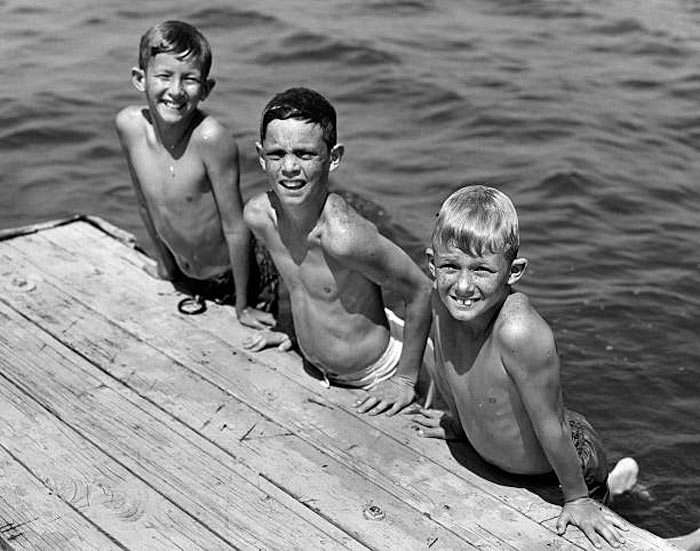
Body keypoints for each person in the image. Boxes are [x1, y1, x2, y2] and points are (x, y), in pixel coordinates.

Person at [410, 184, 645, 549]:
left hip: (567, 457)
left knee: (600, 535)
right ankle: (615, 490)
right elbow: (451, 367)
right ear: (432, 264)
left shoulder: (520, 332)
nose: (463, 285)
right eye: (450, 266)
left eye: (482, 270)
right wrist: (456, 422)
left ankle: (628, 508)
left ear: (514, 271)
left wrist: (577, 498)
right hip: (520, 455)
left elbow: (552, 428)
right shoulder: (442, 300)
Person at [242, 87, 432, 416]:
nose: (288, 167)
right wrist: (291, 328)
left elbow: (421, 290)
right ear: (261, 155)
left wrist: (404, 381)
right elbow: (302, 281)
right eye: (277, 154)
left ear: (333, 158)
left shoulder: (343, 236)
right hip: (319, 370)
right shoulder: (259, 217)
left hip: (377, 373)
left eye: (304, 154)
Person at [115, 20, 276, 328]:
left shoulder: (211, 139)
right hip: (185, 274)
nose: (175, 91)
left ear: (206, 89)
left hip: (239, 276)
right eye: (164, 76)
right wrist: (168, 268)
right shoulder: (129, 127)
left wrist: (243, 305)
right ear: (140, 79)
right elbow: (144, 203)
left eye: (189, 80)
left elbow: (234, 226)